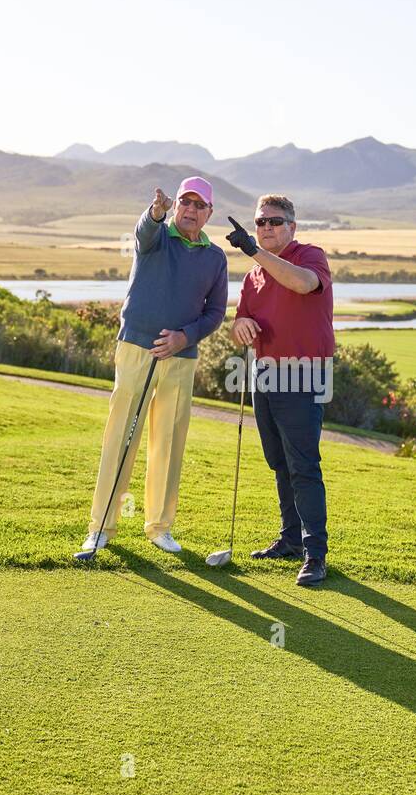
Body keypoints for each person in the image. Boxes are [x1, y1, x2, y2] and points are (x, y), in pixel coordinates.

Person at [81, 176, 227, 554]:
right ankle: (101, 527)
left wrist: (185, 336)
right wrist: (155, 212)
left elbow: (215, 313)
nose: (191, 210)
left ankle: (160, 527)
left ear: (209, 213)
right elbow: (144, 231)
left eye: (199, 205)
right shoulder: (157, 235)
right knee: (121, 438)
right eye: (185, 203)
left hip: (181, 358)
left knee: (168, 442)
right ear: (175, 205)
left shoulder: (215, 257)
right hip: (137, 349)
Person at [227, 195, 334, 587]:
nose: (267, 227)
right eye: (260, 222)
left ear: (292, 226)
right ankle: (290, 540)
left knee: (303, 465)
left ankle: (315, 554)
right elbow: (241, 320)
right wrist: (240, 327)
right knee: (279, 462)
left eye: (275, 221)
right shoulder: (251, 277)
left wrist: (254, 251)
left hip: (304, 375)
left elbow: (303, 284)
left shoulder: (310, 256)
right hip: (265, 375)